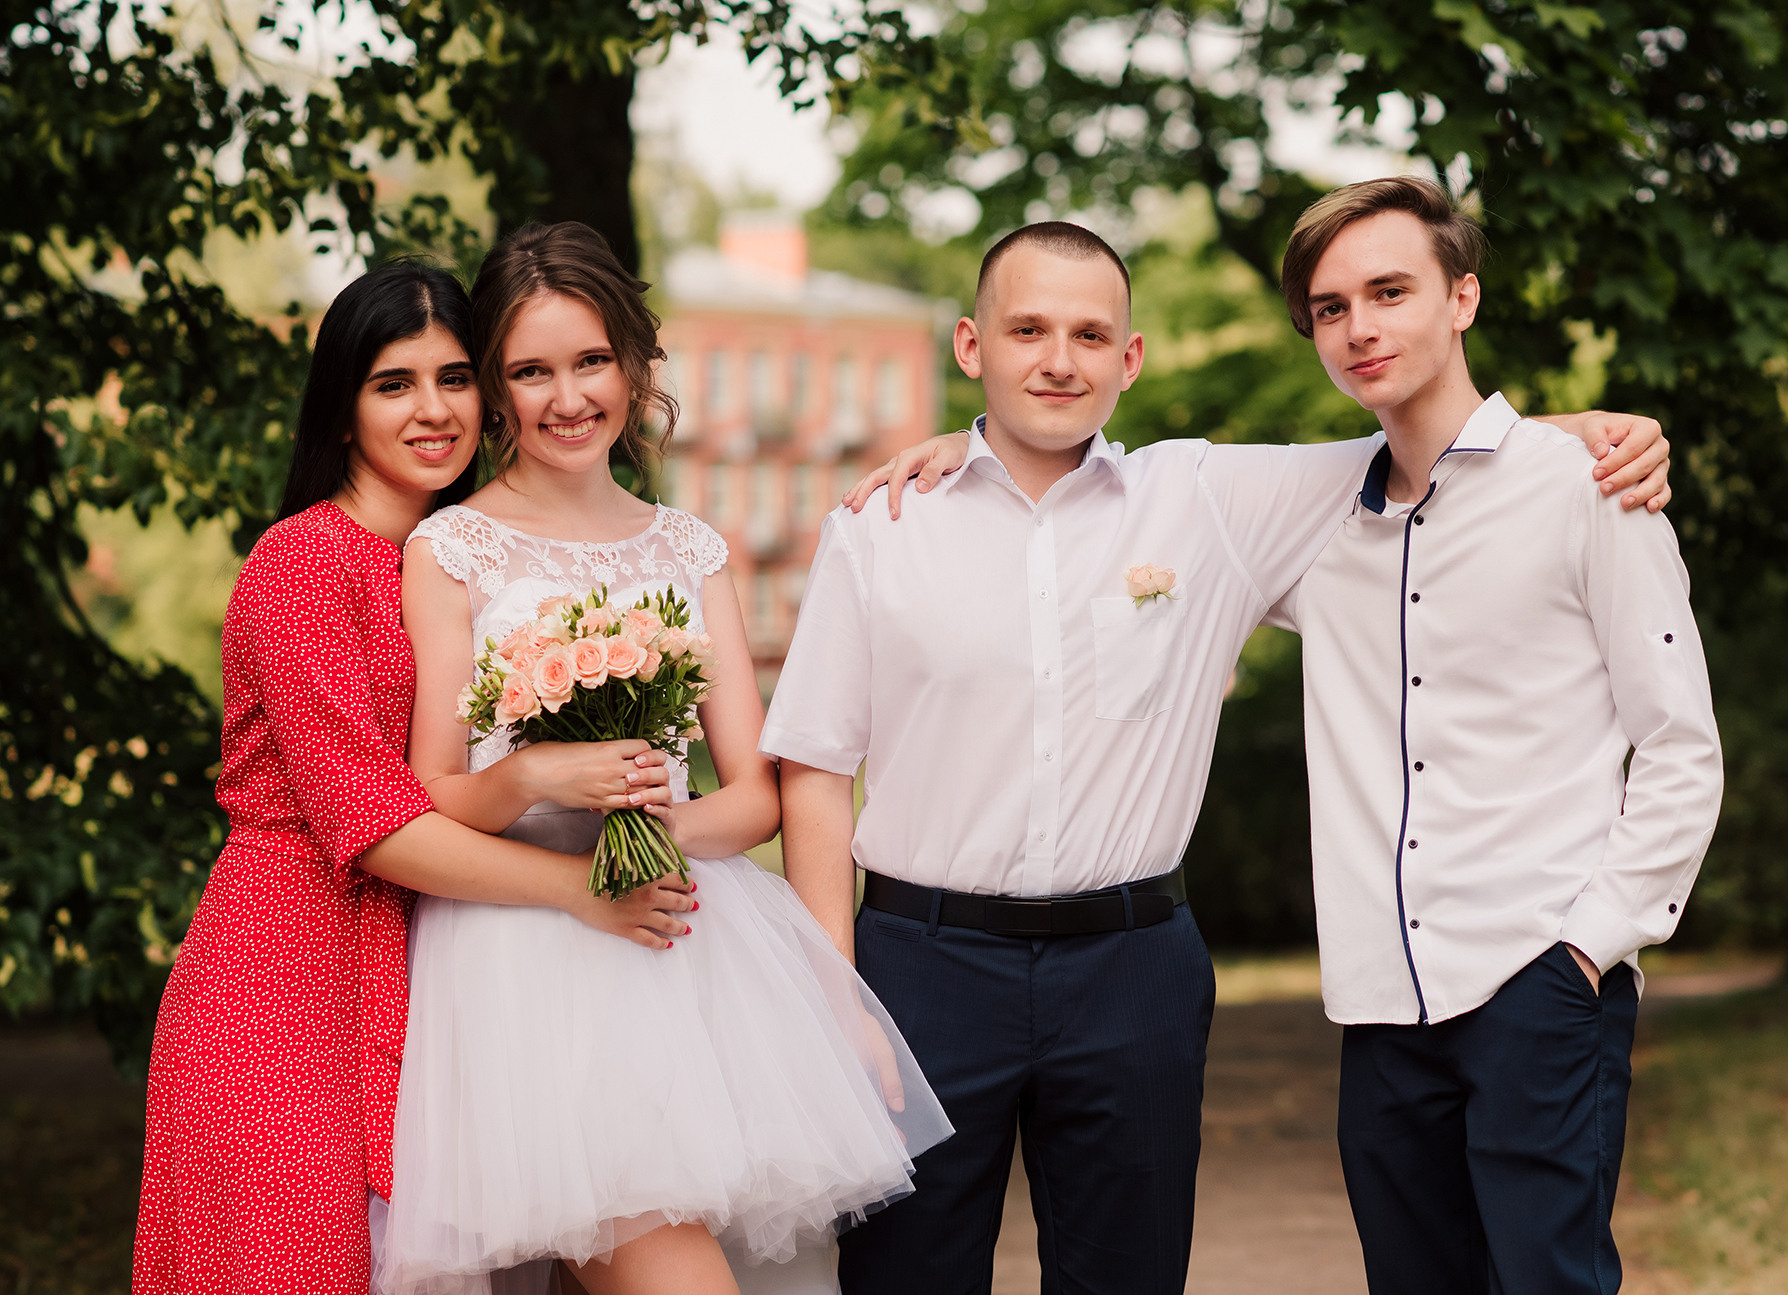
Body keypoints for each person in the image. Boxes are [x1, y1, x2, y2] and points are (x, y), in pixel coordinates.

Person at [765, 220, 1671, 1295]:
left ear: (1128, 360)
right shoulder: (880, 525)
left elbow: (1441, 446)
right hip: (921, 966)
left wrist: (1589, 433)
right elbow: (813, 766)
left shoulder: (1207, 499)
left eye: (1089, 333)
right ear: (972, 346)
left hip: (1131, 968)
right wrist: (838, 995)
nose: (1058, 358)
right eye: (1027, 330)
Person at [370, 221, 950, 1295]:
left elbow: (754, 797)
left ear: (635, 367)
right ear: (495, 389)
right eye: (529, 370)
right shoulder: (453, 549)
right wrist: (537, 778)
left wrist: (649, 830)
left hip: (686, 943)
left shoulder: (687, 548)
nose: (566, 395)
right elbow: (430, 789)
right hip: (524, 959)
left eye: (590, 360)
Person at [133, 261, 698, 1295]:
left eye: (451, 377)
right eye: (393, 383)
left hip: (428, 962)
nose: (432, 410)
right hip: (286, 973)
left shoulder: (458, 559)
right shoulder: (303, 565)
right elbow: (373, 821)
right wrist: (580, 891)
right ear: (342, 409)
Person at [1267, 177, 1722, 1293]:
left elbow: (1678, 743)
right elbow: (1120, 497)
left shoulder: (1585, 487)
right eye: (1330, 308)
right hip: (1379, 1004)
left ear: (1461, 296)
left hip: (1537, 977)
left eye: (1388, 291)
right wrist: (971, 439)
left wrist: (1584, 948)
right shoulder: (1306, 519)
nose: (1359, 327)